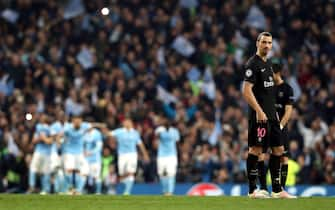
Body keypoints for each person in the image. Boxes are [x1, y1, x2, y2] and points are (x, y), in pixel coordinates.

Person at [242, 32, 295, 198]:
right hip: (260, 117)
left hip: (272, 117)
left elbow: (269, 93)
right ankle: (252, 190)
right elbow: (246, 90)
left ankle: (277, 190)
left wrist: (274, 113)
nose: (266, 45)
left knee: (278, 150)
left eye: (269, 43)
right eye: (263, 42)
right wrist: (259, 111)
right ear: (257, 43)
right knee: (256, 150)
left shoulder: (269, 63)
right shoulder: (253, 64)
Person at [107, 118, 150, 195]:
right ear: (123, 123)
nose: (127, 123)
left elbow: (140, 144)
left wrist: (145, 154)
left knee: (131, 172)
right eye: (126, 122)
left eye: (129, 122)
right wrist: (111, 140)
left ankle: (127, 191)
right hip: (122, 155)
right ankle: (122, 184)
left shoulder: (135, 133)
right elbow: (109, 134)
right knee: (122, 174)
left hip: (132, 155)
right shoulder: (119, 131)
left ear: (132, 123)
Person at [272, 58, 295, 190]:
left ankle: (282, 188)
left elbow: (288, 112)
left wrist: (279, 127)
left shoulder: (287, 89)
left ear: (277, 73)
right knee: (267, 155)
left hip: (280, 128)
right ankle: (266, 187)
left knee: (284, 157)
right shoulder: (269, 89)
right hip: (269, 126)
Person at [155, 115, 180, 195]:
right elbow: (156, 137)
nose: (167, 123)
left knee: (171, 173)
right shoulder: (159, 130)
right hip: (161, 155)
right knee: (161, 173)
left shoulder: (175, 131)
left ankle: (170, 192)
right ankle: (164, 191)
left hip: (171, 155)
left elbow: (177, 141)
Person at [28, 113, 53, 194]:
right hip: (38, 151)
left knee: (45, 172)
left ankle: (46, 190)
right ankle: (31, 187)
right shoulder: (38, 127)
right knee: (32, 168)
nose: (42, 118)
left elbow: (50, 141)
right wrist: (41, 138)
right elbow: (34, 141)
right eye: (41, 117)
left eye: (44, 117)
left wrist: (44, 138)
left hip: (47, 153)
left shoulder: (50, 128)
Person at [83, 128, 104, 194]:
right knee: (84, 175)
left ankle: (98, 192)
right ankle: (84, 190)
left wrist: (91, 152)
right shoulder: (83, 132)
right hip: (85, 158)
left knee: (96, 176)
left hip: (95, 159)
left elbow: (99, 146)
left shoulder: (97, 133)